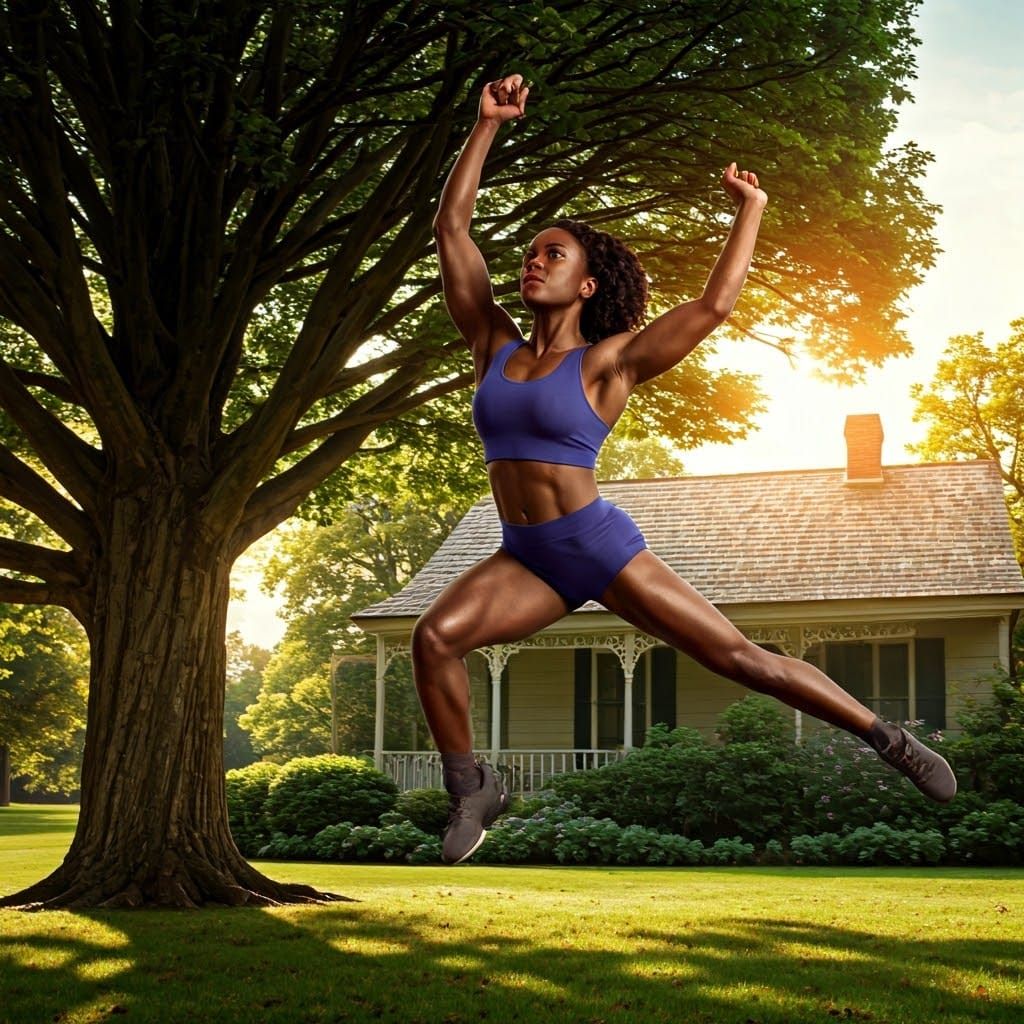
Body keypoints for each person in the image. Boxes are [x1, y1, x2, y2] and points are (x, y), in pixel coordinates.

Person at [415, 73, 956, 866]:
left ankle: (888, 739)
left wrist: (751, 210)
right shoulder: (490, 343)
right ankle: (473, 789)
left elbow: (713, 309)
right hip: (523, 557)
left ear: (586, 282)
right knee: (432, 638)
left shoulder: (612, 362)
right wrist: (486, 125)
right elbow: (451, 227)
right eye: (529, 254)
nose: (533, 263)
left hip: (594, 543)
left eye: (552, 254)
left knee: (741, 661)